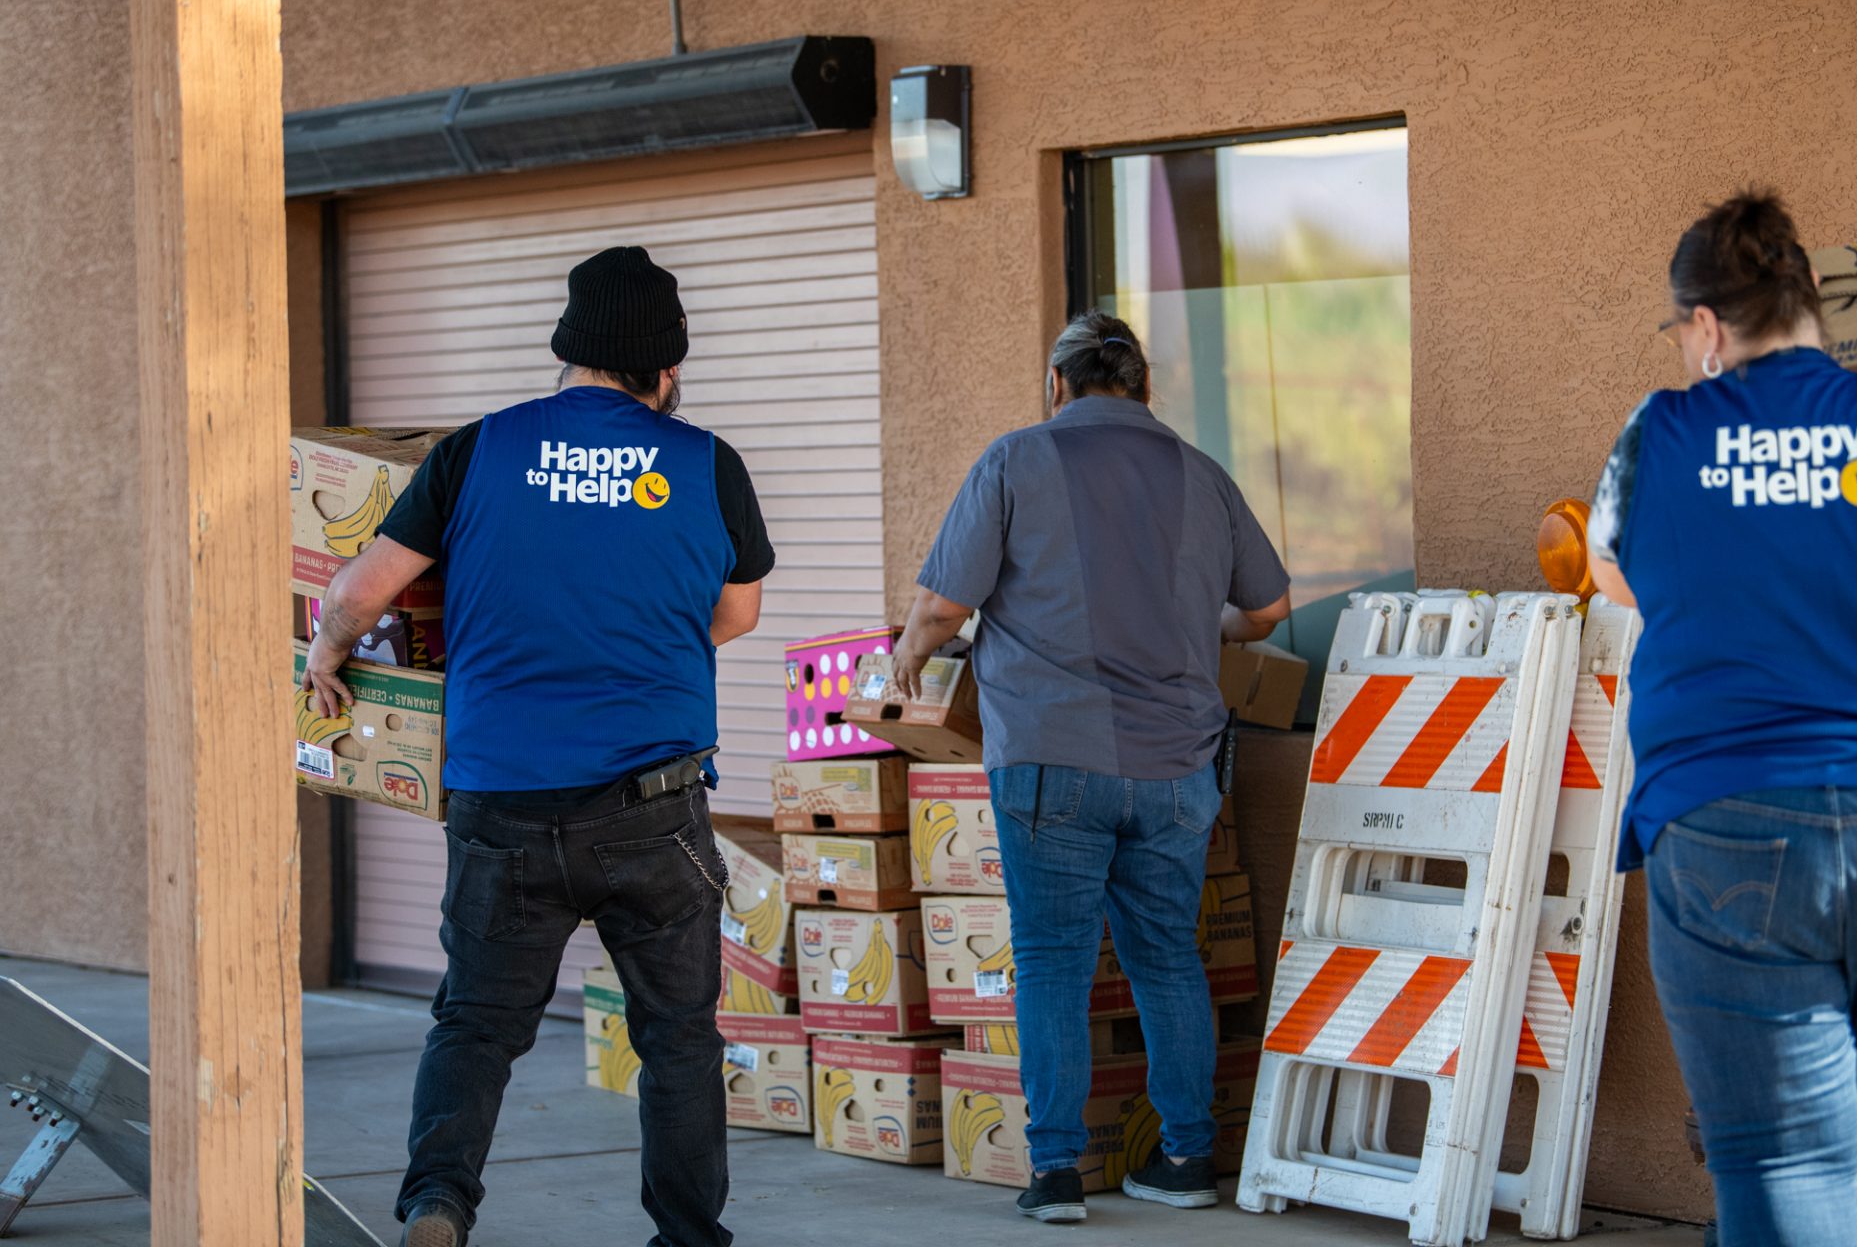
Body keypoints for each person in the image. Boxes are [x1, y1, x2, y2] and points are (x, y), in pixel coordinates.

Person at [301, 247, 774, 1247]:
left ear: (568, 352)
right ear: (666, 369)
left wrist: (326, 654)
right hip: (654, 805)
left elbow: (355, 593)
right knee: (679, 1036)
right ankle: (689, 1237)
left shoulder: (476, 450)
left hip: (502, 801)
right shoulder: (704, 460)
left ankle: (437, 1204)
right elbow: (734, 613)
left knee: (474, 1022)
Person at [891, 312, 1292, 1223]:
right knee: (1167, 962)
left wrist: (911, 655)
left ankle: (1059, 1174)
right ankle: (1188, 1161)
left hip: (1053, 762)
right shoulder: (1201, 472)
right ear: (1148, 391)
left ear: (1056, 387)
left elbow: (944, 604)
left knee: (1053, 964)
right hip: (1176, 770)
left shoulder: (1016, 459)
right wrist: (1210, 628)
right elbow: (1269, 607)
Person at [1588, 191, 1857, 1247]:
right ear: (1810, 303)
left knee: (1782, 1154)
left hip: (1729, 826)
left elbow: (1612, 572)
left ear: (1705, 325)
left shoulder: (1660, 430)